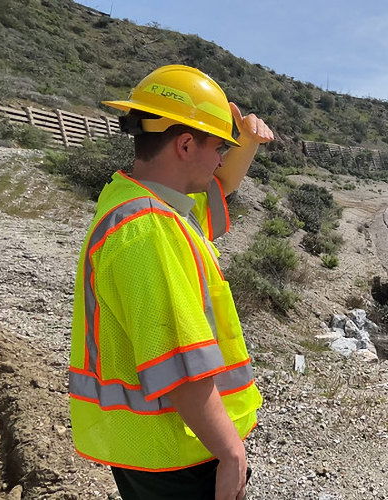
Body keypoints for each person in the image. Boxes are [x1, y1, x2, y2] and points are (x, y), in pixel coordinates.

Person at [67, 64, 274, 500]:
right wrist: (232, 453)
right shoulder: (147, 230)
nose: (222, 158)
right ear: (184, 143)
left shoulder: (141, 199)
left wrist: (247, 142)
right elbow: (179, 366)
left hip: (163, 446)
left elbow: (221, 182)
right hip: (176, 452)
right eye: (219, 145)